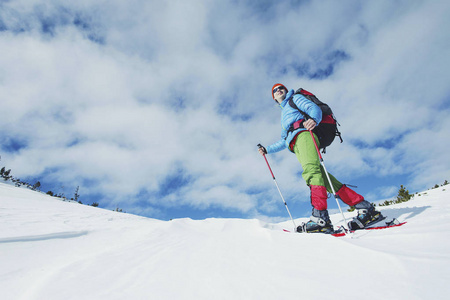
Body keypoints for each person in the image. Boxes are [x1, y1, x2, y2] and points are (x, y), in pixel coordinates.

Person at [258, 83, 382, 233]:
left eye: (281, 88)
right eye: (274, 91)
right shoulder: (284, 115)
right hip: (296, 144)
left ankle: (320, 217)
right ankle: (364, 207)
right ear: (274, 98)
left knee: (312, 172)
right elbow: (284, 140)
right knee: (323, 177)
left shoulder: (294, 98)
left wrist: (314, 120)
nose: (278, 90)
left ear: (285, 90)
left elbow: (313, 108)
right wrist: (267, 150)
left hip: (304, 136)